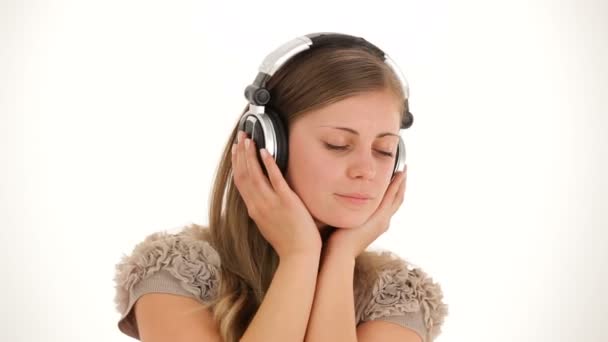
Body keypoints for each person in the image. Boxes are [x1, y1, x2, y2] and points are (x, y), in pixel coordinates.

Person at [113, 32, 448, 342]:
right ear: (268, 144)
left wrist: (340, 257)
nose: (367, 170)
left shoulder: (397, 297)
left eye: (384, 150)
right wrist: (300, 256)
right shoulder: (173, 270)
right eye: (337, 144)